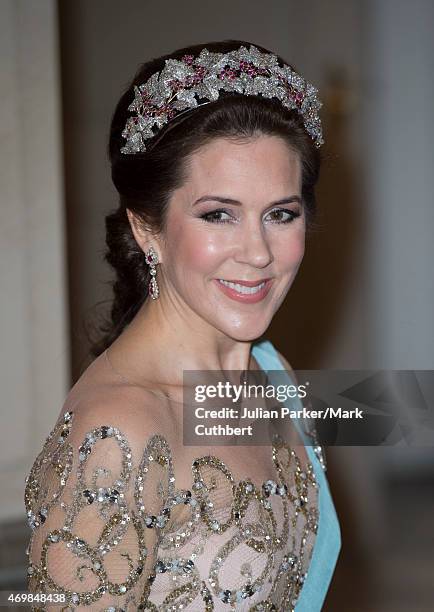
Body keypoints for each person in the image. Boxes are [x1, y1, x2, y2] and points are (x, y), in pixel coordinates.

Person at [24, 40, 341, 611]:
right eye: (218, 214)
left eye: (281, 214)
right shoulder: (118, 434)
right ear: (147, 229)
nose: (259, 253)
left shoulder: (272, 372)